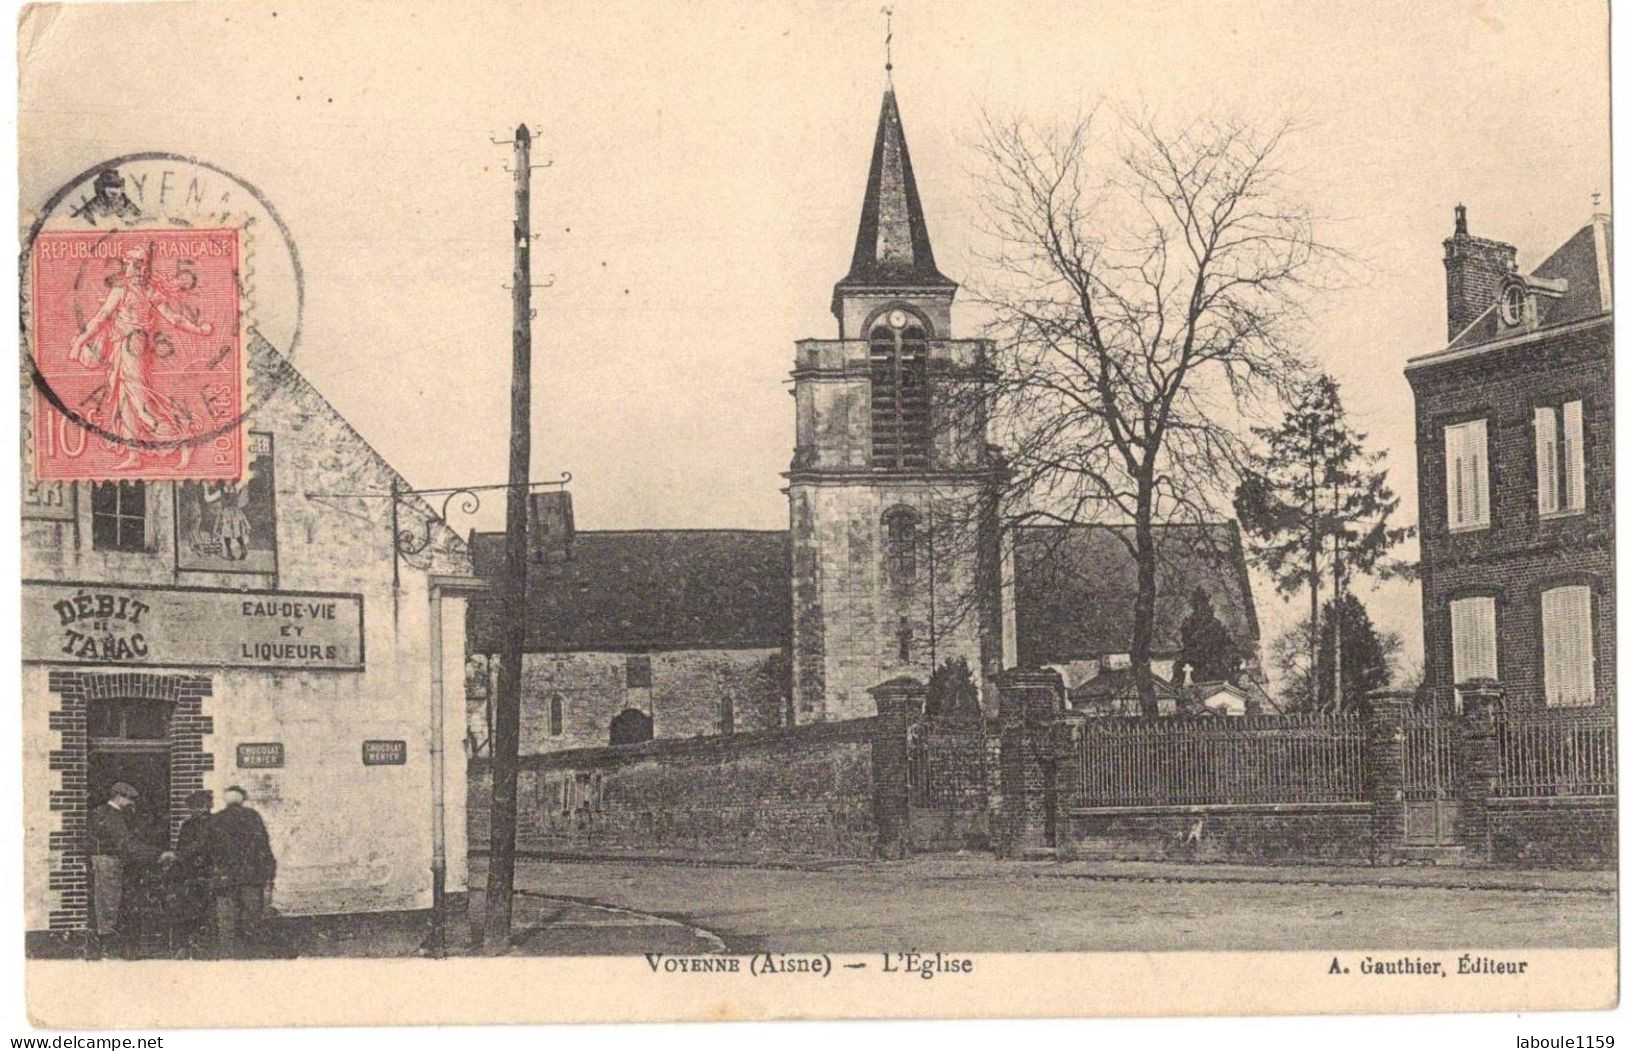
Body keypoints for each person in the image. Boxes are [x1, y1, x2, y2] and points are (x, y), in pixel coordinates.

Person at [65, 245, 213, 471]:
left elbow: (173, 318)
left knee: (139, 402)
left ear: (145, 267)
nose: (136, 268)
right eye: (133, 264)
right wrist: (79, 341)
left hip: (134, 348)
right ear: (126, 265)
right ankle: (135, 456)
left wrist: (199, 329)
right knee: (124, 401)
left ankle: (183, 438)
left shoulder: (150, 291)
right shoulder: (121, 290)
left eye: (141, 264)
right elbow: (101, 318)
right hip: (121, 348)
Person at [86, 782, 171, 958]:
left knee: (112, 902)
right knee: (109, 903)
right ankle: (109, 950)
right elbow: (125, 844)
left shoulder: (111, 813)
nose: (132, 803)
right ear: (118, 796)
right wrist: (157, 854)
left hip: (113, 861)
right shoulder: (110, 815)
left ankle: (112, 948)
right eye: (130, 799)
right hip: (109, 862)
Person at [193, 785, 276, 958]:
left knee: (226, 921)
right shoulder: (253, 817)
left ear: (226, 800)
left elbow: (203, 846)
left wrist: (179, 856)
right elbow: (264, 847)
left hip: (224, 878)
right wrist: (269, 874)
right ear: (243, 799)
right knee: (252, 919)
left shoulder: (216, 819)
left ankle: (227, 958)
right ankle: (252, 958)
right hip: (251, 878)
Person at [164, 790, 214, 956]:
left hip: (206, 873)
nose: (196, 810)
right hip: (188, 874)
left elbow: (202, 844)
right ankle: (186, 946)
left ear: (208, 806)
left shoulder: (214, 824)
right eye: (193, 807)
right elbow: (182, 848)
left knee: (204, 910)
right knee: (187, 910)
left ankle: (199, 946)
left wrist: (179, 856)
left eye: (200, 806)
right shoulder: (188, 825)